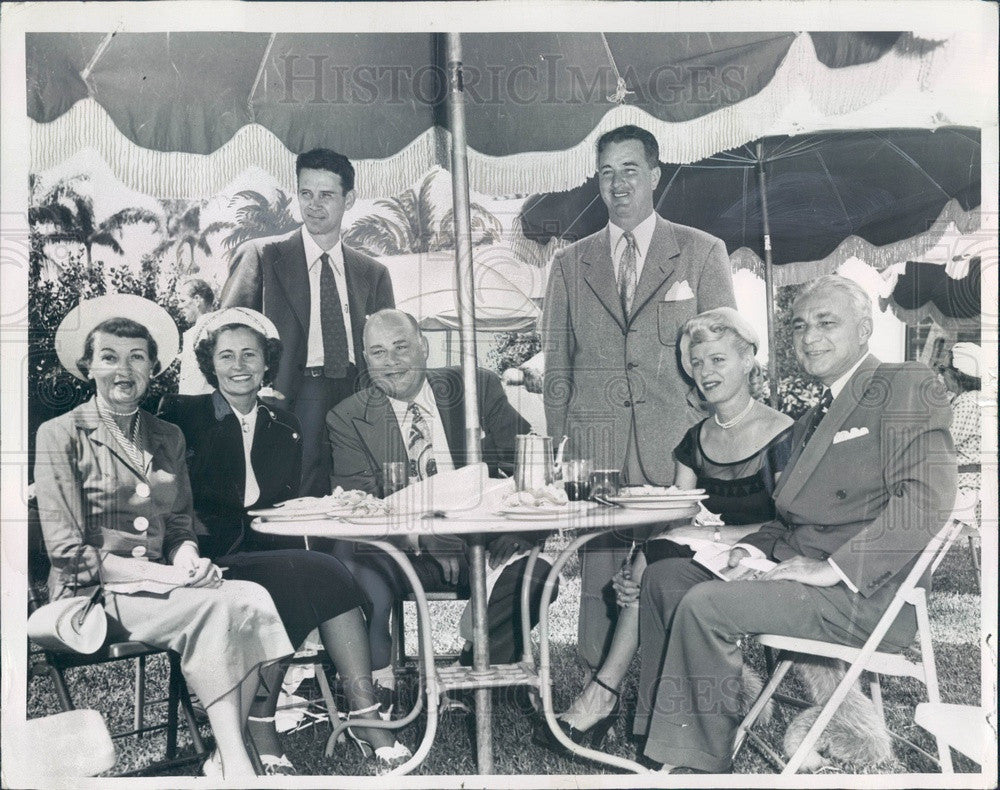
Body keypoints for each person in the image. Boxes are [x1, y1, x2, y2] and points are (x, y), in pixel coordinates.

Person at [633, 275, 956, 773]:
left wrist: (834, 570)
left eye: (827, 323)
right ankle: (661, 730)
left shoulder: (904, 384)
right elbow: (793, 521)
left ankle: (697, 764)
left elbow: (925, 501)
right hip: (800, 573)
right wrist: (750, 551)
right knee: (666, 578)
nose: (809, 337)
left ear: (866, 328)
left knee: (705, 605)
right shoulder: (808, 423)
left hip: (866, 594)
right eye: (801, 326)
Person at [33, 294, 293, 780]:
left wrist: (188, 558)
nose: (123, 370)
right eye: (108, 357)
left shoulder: (167, 435)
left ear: (154, 368)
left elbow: (178, 525)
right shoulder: (59, 433)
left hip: (160, 587)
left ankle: (221, 754)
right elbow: (68, 553)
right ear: (88, 366)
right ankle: (237, 764)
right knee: (215, 607)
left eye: (137, 358)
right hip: (92, 596)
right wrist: (165, 574)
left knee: (253, 598)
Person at [158, 307, 410, 775]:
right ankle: (272, 721)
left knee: (321, 571)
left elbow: (281, 503)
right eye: (226, 355)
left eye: (249, 355)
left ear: (266, 363)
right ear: (209, 363)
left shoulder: (284, 422)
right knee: (304, 576)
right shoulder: (181, 415)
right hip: (202, 556)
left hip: (260, 549)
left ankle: (360, 712)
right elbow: (166, 500)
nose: (238, 366)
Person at [538, 307, 792, 749]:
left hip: (766, 557)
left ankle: (603, 697)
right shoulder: (694, 441)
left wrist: (705, 537)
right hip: (706, 559)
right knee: (653, 569)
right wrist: (635, 564)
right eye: (695, 363)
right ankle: (651, 726)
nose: (704, 373)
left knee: (658, 566)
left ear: (748, 359)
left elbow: (788, 524)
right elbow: (676, 515)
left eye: (717, 359)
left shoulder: (783, 434)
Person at [542, 123, 737, 672]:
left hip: (677, 447)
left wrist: (715, 444)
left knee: (673, 562)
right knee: (602, 574)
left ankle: (663, 679)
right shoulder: (569, 263)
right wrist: (561, 447)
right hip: (596, 448)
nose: (618, 182)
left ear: (654, 174)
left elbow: (723, 355)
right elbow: (557, 363)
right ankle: (595, 685)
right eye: (606, 172)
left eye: (630, 168)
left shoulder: (702, 253)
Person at [326, 309, 557, 705]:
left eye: (401, 347)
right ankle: (381, 682)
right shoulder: (347, 417)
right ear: (365, 361)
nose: (391, 361)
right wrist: (424, 536)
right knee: (354, 565)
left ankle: (473, 668)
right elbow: (362, 502)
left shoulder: (475, 387)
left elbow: (533, 462)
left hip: (484, 545)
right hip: (401, 552)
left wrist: (518, 531)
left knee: (540, 575)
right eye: (378, 353)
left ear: (424, 346)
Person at [220, 148, 395, 496]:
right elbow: (224, 338)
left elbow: (387, 346)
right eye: (305, 193)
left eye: (326, 195)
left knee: (355, 495)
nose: (314, 205)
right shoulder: (262, 256)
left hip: (354, 393)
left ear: (349, 199)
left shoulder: (373, 272)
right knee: (294, 497)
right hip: (289, 395)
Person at [177, 277, 216, 395]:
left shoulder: (206, 329)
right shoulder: (220, 325)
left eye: (183, 301)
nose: (179, 306)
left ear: (197, 300)